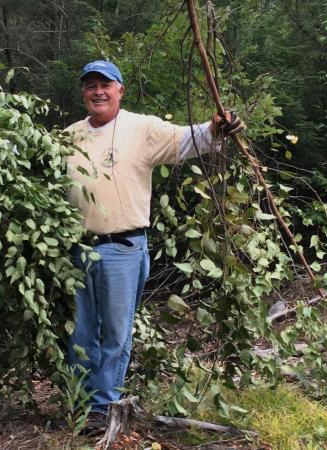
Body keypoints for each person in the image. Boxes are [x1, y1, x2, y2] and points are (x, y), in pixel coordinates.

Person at [64, 60, 244, 423]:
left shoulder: (141, 128)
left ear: (120, 90)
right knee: (81, 333)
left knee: (114, 333)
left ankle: (102, 409)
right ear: (83, 91)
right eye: (90, 85)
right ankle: (79, 407)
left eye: (106, 84)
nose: (98, 91)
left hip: (122, 247)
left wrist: (219, 126)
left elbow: (189, 139)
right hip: (78, 248)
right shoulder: (69, 136)